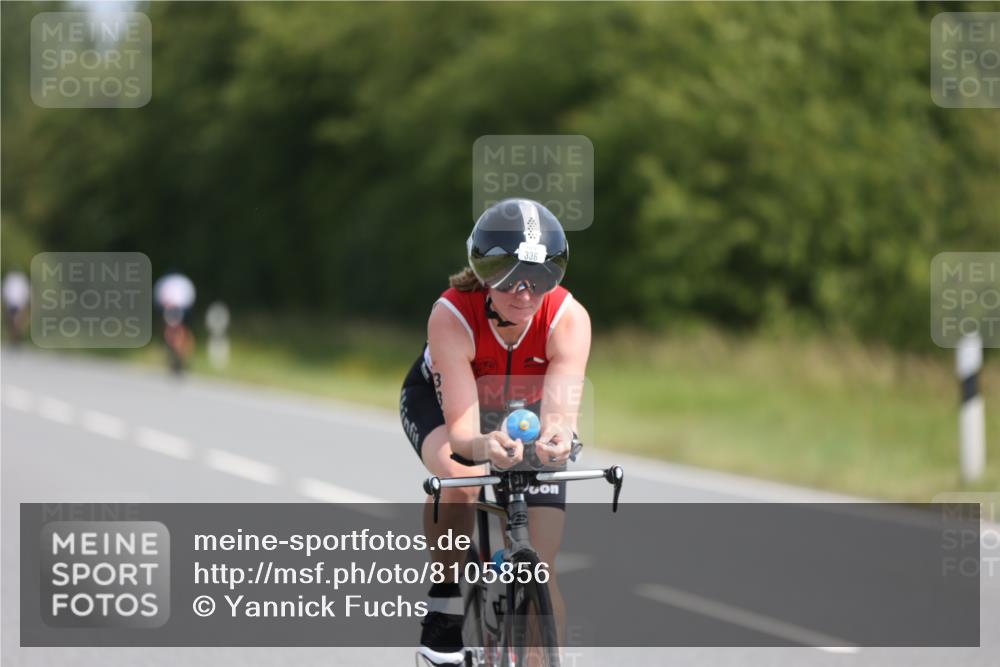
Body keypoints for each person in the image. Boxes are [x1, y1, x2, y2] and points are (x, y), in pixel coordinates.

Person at [399, 198, 591, 665]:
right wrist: (484, 446)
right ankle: (444, 603)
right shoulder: (452, 315)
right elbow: (465, 434)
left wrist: (557, 439)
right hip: (447, 406)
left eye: (541, 278)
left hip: (525, 412)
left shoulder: (568, 320)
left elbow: (561, 417)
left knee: (540, 569)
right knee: (459, 477)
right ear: (485, 272)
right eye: (511, 278)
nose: (525, 293)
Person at [2, 270, 30, 344]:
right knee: (13, 321)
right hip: (13, 303)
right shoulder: (14, 279)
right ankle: (14, 337)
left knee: (17, 321)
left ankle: (16, 337)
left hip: (17, 304)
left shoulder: (17, 279)